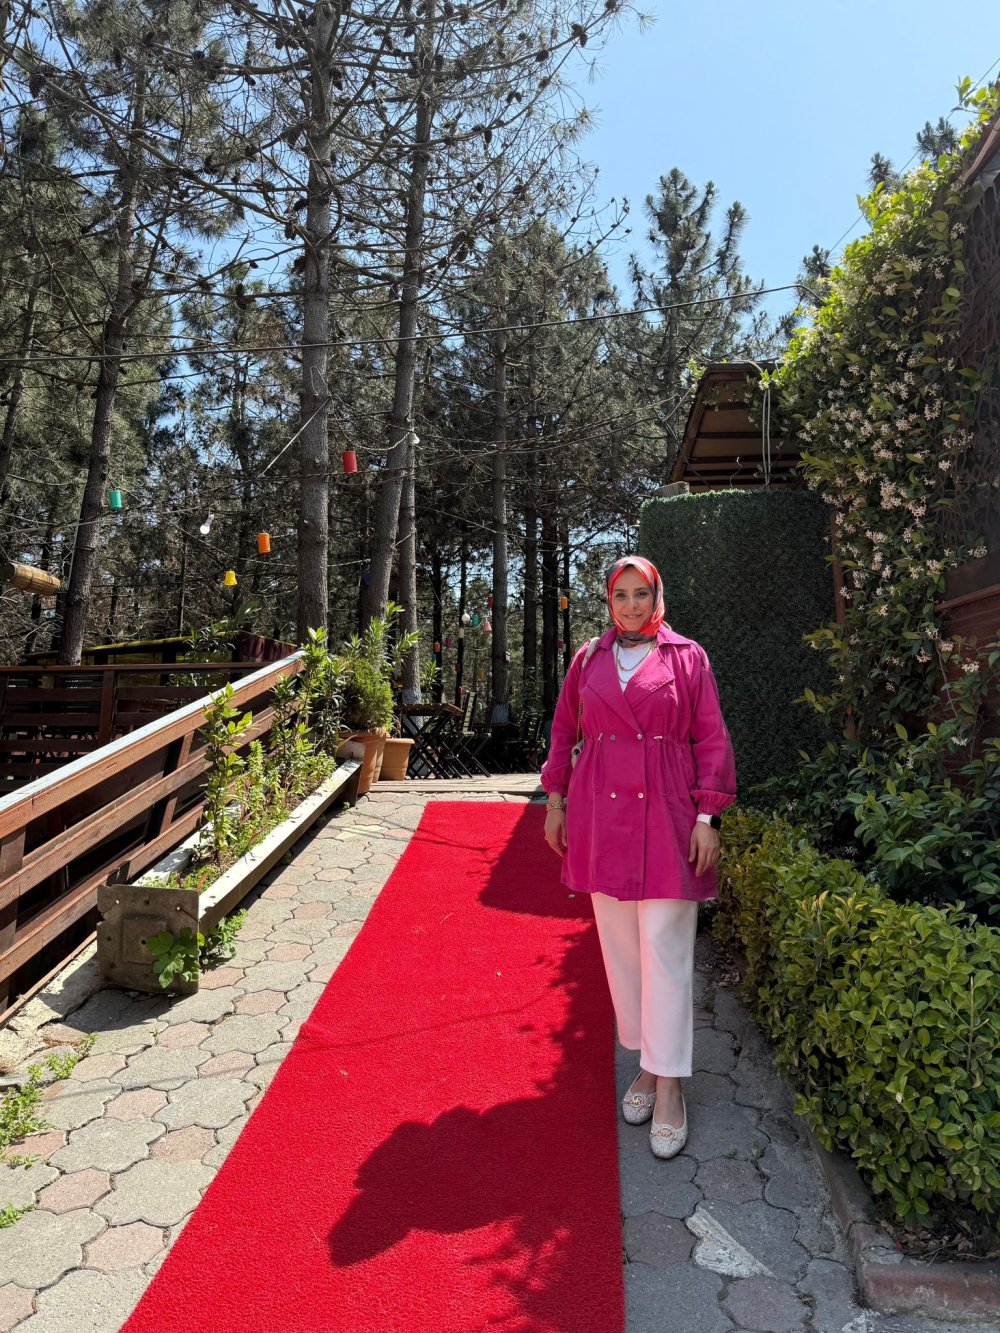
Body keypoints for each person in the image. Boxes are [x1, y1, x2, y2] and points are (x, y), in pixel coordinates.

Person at [541, 556, 736, 1158]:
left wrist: (708, 817)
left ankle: (671, 1086)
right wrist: (555, 802)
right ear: (609, 601)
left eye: (640, 594)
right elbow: (563, 731)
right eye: (620, 595)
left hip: (669, 817)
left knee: (666, 953)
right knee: (622, 953)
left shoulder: (688, 658)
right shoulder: (588, 659)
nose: (630, 605)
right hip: (603, 818)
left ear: (657, 597)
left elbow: (711, 738)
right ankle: (649, 1065)